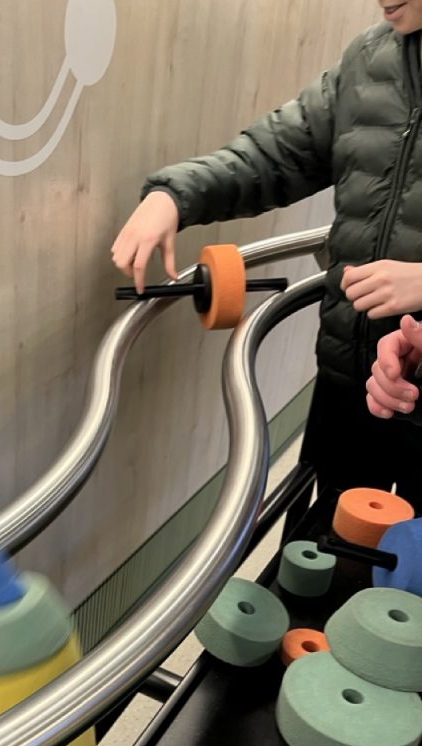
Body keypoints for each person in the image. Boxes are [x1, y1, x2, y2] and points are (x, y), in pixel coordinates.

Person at [112, 1, 422, 511]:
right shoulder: (370, 59)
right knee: (324, 539)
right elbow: (279, 153)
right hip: (349, 372)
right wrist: (175, 195)